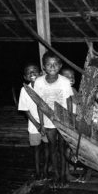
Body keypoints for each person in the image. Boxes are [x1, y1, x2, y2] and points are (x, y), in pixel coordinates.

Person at [34, 51, 73, 187]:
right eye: (49, 64)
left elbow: (68, 102)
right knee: (52, 148)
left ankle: (63, 177)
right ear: (44, 66)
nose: (52, 67)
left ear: (60, 66)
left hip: (62, 120)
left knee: (62, 148)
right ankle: (56, 176)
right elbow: (39, 104)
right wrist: (41, 124)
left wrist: (68, 122)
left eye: (55, 64)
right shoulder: (39, 82)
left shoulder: (65, 81)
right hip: (48, 120)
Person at [18, 63, 49, 180]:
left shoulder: (45, 88)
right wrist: (37, 125)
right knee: (36, 148)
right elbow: (26, 110)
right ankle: (37, 171)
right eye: (29, 72)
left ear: (41, 73)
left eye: (35, 71)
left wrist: (43, 125)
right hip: (33, 125)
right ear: (25, 77)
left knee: (47, 147)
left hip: (47, 124)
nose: (32, 73)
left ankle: (45, 169)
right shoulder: (24, 90)